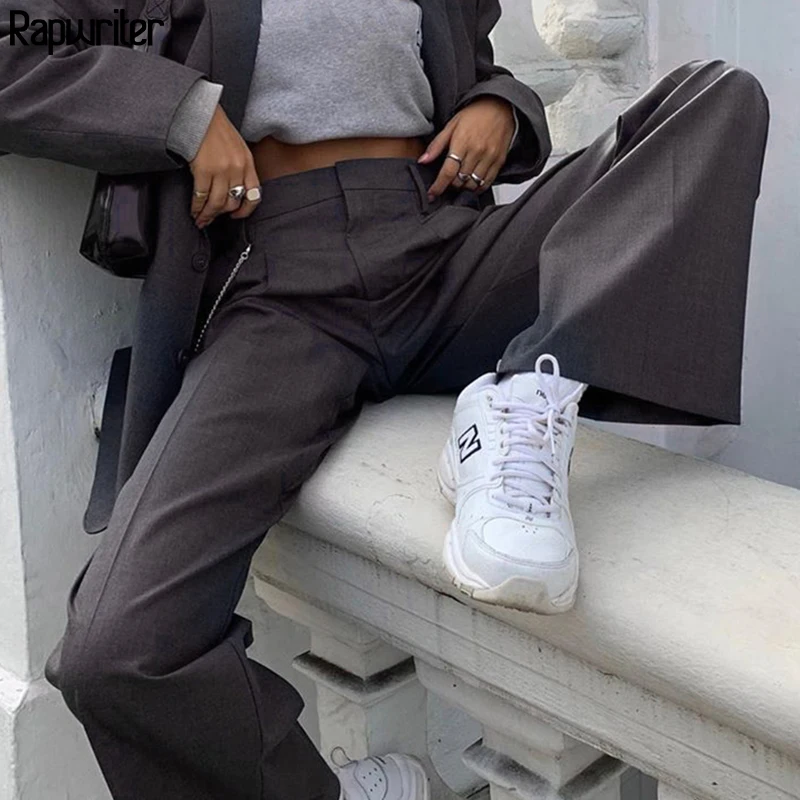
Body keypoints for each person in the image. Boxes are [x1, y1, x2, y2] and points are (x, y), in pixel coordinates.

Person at [0, 0, 769, 798]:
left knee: (718, 99)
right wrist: (183, 114)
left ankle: (529, 385)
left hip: (446, 249)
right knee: (115, 650)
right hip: (277, 289)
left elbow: (474, 74)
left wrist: (500, 107)